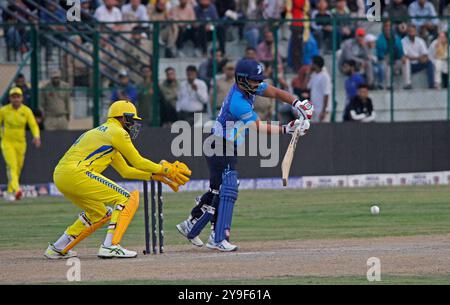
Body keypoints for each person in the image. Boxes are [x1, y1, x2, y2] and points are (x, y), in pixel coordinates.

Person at [175, 59, 313, 252]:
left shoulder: (249, 87)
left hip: (223, 145)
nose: (258, 84)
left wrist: (297, 103)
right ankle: (216, 236)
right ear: (242, 79)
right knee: (227, 190)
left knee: (218, 192)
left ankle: (191, 224)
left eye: (258, 81)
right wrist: (286, 129)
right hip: (221, 145)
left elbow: (274, 92)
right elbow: (256, 127)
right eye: (254, 81)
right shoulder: (238, 102)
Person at [44, 100, 191, 259]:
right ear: (123, 117)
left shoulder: (103, 133)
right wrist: (166, 170)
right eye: (132, 120)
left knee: (99, 214)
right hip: (77, 172)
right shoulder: (118, 132)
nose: (134, 124)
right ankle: (110, 245)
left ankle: (58, 248)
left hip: (61, 175)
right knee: (126, 198)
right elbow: (138, 161)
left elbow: (126, 171)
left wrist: (155, 176)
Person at [0, 87, 40, 201]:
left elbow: (33, 125)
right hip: (7, 142)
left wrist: (36, 136)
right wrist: (1, 136)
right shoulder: (4, 110)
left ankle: (9, 192)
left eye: (18, 97)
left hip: (21, 143)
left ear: (22, 98)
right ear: (10, 99)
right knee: (12, 166)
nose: (16, 99)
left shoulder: (26, 111)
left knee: (18, 168)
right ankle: (17, 190)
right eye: (13, 97)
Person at [401, 24, 435, 89]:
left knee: (429, 62)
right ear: (407, 32)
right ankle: (408, 84)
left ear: (416, 32)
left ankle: (431, 84)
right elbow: (405, 56)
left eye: (413, 31)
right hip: (409, 65)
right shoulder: (403, 41)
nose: (412, 33)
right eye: (410, 31)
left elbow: (425, 54)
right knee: (406, 61)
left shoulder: (420, 41)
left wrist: (424, 58)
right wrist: (419, 58)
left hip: (418, 63)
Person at [376, 21, 407, 89]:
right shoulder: (380, 39)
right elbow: (379, 53)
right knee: (386, 65)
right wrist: (385, 57)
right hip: (384, 62)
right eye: (386, 26)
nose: (388, 28)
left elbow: (400, 51)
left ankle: (407, 84)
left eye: (389, 26)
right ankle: (388, 85)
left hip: (395, 62)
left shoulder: (396, 38)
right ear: (383, 28)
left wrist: (402, 57)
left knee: (406, 61)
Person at [307, 56, 331, 122]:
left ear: (315, 64)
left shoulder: (325, 76)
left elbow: (326, 94)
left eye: (311, 63)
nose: (310, 65)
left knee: (324, 131)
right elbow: (306, 86)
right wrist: (308, 73)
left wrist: (323, 111)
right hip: (314, 109)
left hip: (322, 110)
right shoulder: (314, 75)